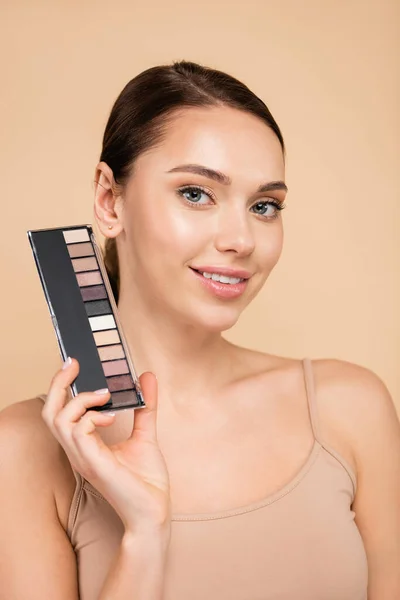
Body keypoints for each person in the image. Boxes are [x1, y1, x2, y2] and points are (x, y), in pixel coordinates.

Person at [0, 60, 399, 600]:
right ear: (107, 199)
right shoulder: (24, 451)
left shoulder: (350, 409)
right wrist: (142, 533)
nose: (241, 240)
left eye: (264, 206)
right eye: (196, 193)